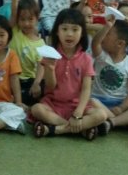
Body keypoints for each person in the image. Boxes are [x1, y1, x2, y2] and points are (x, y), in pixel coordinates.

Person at [31, 9, 107, 139]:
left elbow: (86, 89)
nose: (69, 34)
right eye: (64, 29)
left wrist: (78, 113)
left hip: (77, 105)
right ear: (57, 31)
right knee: (37, 109)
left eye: (75, 29)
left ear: (82, 33)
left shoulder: (86, 59)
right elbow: (50, 86)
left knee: (101, 115)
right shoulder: (50, 55)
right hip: (53, 104)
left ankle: (55, 130)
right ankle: (79, 129)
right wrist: (50, 69)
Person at [90, 19, 128, 135]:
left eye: (107, 34)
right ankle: (126, 122)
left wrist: (122, 108)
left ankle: (111, 122)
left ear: (120, 44)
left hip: (120, 103)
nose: (103, 36)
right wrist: (106, 26)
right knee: (90, 101)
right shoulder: (101, 56)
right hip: (99, 101)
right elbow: (95, 43)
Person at [8, 0, 45, 106]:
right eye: (22, 19)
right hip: (10, 79)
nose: (26, 23)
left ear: (37, 19)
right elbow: (14, 12)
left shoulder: (40, 44)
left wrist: (37, 83)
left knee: (39, 91)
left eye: (30, 19)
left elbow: (41, 66)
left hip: (29, 81)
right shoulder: (15, 31)